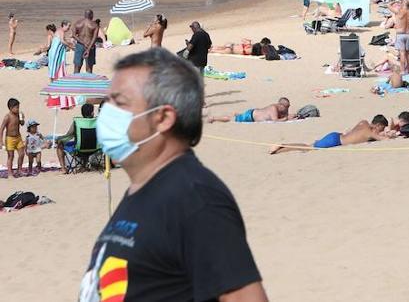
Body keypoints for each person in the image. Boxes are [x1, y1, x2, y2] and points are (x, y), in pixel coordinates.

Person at [81, 48, 267, 301]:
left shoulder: (195, 198)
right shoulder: (146, 188)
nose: (107, 113)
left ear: (163, 118)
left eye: (119, 103)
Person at [270, 115, 395, 153]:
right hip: (335, 141)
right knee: (307, 148)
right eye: (381, 129)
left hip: (335, 135)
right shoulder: (369, 132)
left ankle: (282, 146)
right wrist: (392, 130)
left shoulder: (363, 122)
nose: (381, 131)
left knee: (310, 145)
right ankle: (281, 147)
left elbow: (352, 133)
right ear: (378, 125)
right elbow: (384, 140)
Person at [55, 103, 95, 172]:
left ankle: (63, 168)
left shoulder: (77, 122)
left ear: (82, 113)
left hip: (79, 149)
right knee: (87, 140)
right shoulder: (96, 121)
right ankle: (84, 165)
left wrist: (59, 139)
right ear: (92, 113)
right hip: (94, 149)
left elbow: (69, 135)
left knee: (59, 144)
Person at [208, 98, 292, 124]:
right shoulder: (273, 108)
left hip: (254, 112)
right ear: (280, 105)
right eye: (286, 107)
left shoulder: (281, 109)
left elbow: (284, 116)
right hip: (250, 116)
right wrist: (286, 118)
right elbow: (275, 121)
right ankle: (214, 118)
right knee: (231, 119)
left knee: (237, 116)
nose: (287, 108)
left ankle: (237, 114)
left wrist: (290, 116)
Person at [389, 0, 409, 74]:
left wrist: (395, 1)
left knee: (402, 53)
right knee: (408, 53)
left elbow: (388, 5)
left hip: (400, 34)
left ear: (402, 4)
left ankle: (403, 70)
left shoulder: (398, 11)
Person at [72, 10, 100, 74]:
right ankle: (88, 82)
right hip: (90, 46)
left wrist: (82, 42)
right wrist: (89, 48)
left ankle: (75, 82)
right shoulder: (94, 25)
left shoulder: (77, 23)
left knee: (77, 67)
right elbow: (94, 38)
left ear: (84, 15)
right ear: (91, 15)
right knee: (89, 68)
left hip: (79, 46)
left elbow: (73, 35)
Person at [4, 98, 25, 178]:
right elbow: (1, 129)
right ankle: (10, 173)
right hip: (9, 138)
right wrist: (1, 141)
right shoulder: (7, 117)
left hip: (18, 137)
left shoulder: (18, 115)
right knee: (11, 156)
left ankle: (19, 170)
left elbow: (22, 124)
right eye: (16, 107)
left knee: (22, 154)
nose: (18, 109)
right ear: (11, 108)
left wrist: (22, 118)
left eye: (18, 107)